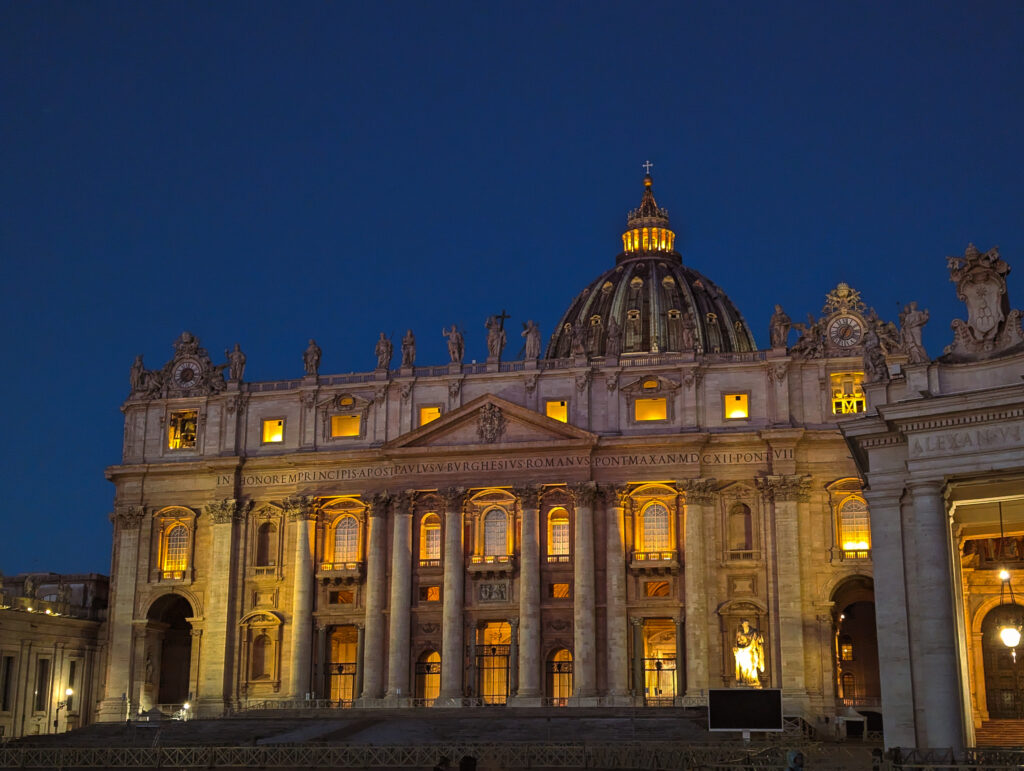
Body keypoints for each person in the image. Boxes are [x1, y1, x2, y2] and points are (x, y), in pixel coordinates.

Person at [733, 619, 765, 687]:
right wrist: (736, 646)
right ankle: (744, 680)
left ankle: (752, 680)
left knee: (752, 666)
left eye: (747, 623)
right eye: (744, 623)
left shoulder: (753, 632)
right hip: (742, 652)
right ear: (742, 624)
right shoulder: (739, 632)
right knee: (743, 667)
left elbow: (757, 639)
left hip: (750, 651)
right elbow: (736, 643)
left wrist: (758, 638)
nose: (746, 624)